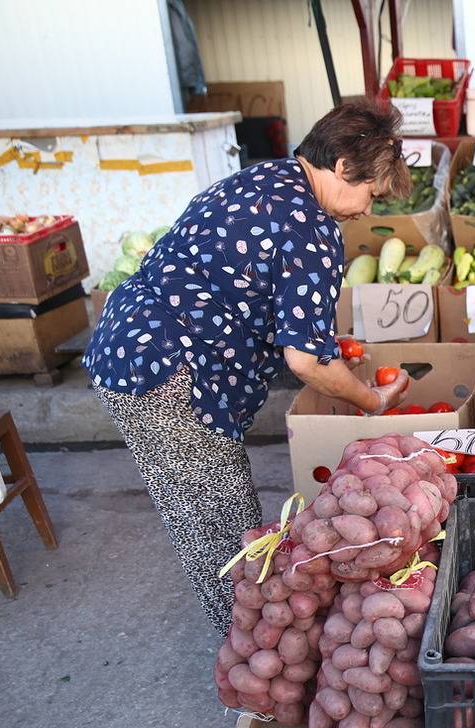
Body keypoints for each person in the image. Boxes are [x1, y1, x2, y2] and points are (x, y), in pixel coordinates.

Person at [84, 102, 413, 636]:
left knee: (216, 509)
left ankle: (251, 641)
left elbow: (249, 294)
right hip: (169, 370)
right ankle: (248, 660)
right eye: (371, 193)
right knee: (215, 521)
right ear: (345, 168)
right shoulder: (312, 228)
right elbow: (304, 361)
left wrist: (322, 342)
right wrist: (369, 400)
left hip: (129, 345)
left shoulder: (262, 177)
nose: (365, 209)